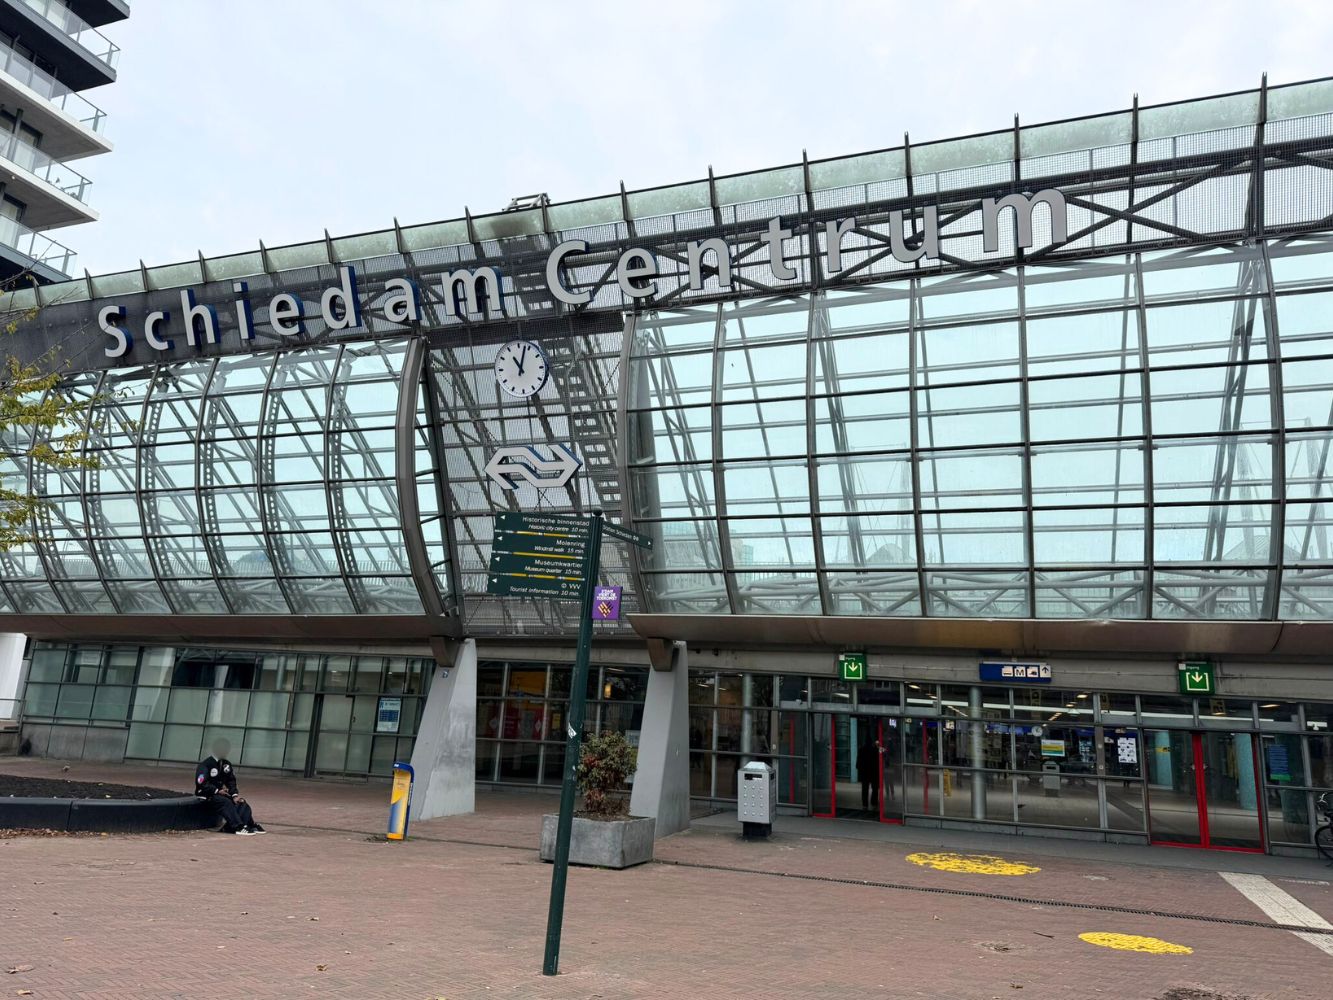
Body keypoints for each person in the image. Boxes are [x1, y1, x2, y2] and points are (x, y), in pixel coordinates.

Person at [195, 741, 265, 836]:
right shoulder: (206, 764)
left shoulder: (226, 764)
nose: (226, 752)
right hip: (207, 795)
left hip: (220, 795)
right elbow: (201, 783)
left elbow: (231, 781)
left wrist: (234, 795)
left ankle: (248, 824)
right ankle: (238, 827)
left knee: (241, 803)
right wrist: (217, 790)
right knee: (226, 802)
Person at [856, 732, 882, 811]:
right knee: (875, 788)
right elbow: (878, 761)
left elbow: (858, 762)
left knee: (864, 789)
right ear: (871, 742)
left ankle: (865, 804)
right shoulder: (875, 750)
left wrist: (859, 769)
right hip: (873, 772)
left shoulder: (861, 750)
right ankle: (874, 802)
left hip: (864, 772)